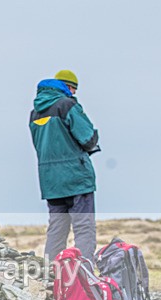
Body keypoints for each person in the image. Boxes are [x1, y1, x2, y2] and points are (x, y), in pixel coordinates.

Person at [29, 69, 101, 262]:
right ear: (65, 87)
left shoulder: (35, 112)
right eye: (73, 88)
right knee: (83, 226)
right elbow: (88, 138)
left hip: (50, 180)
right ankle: (84, 274)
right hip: (76, 176)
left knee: (56, 229)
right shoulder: (67, 105)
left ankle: (52, 274)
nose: (74, 93)